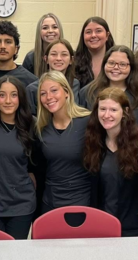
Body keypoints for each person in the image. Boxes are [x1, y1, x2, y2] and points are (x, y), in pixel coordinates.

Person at [83, 87, 138, 236]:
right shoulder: (94, 142)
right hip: (102, 225)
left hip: (135, 228)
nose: (106, 115)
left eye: (113, 110)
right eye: (102, 109)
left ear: (125, 111)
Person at [0, 76, 37, 240]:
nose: (8, 101)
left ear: (21, 98)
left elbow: (35, 163)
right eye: (2, 95)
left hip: (21, 204)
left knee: (15, 251)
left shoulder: (31, 123)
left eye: (14, 95)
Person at [33, 71, 93, 214]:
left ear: (66, 92)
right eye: (43, 93)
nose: (49, 97)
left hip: (81, 201)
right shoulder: (41, 128)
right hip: (50, 202)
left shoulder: (88, 121)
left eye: (54, 90)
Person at [78, 45, 138, 126]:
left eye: (122, 64)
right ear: (104, 64)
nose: (116, 67)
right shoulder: (87, 92)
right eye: (111, 63)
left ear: (131, 67)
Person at [27, 39, 79, 115]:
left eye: (64, 54)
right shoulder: (32, 89)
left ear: (71, 60)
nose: (58, 58)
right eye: (54, 54)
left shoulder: (75, 84)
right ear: (46, 59)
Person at [74, 17, 116, 87]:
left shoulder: (118, 62)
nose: (93, 35)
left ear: (107, 35)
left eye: (98, 31)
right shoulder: (73, 62)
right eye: (88, 32)